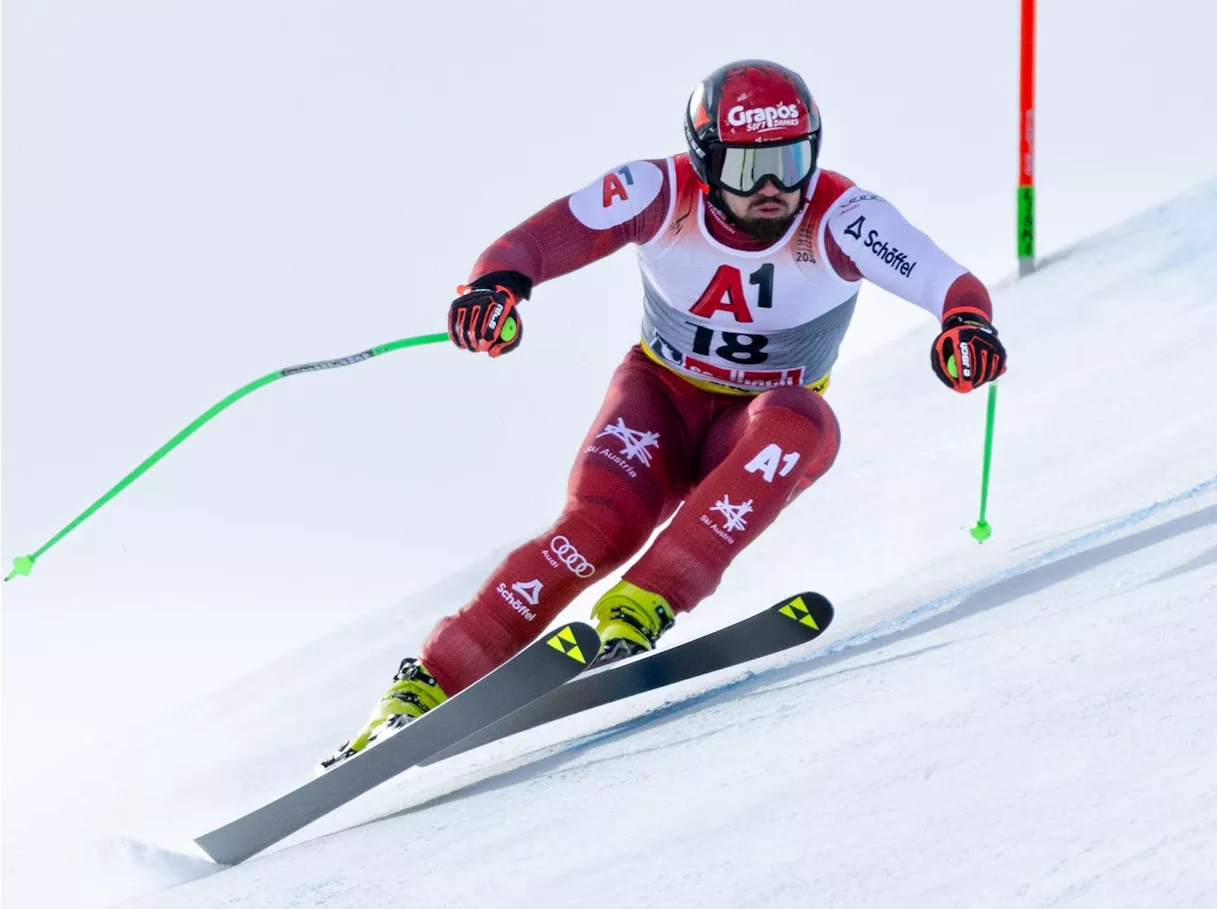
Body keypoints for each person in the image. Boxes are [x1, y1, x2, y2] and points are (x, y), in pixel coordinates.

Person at [322, 59, 1007, 767]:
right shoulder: (657, 189)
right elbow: (537, 240)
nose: (774, 188)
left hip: (750, 429)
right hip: (661, 401)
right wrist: (496, 287)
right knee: (598, 530)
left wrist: (964, 325)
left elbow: (943, 279)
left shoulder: (843, 216)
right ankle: (425, 687)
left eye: (792, 160)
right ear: (707, 160)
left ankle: (645, 603)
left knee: (804, 422)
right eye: (748, 169)